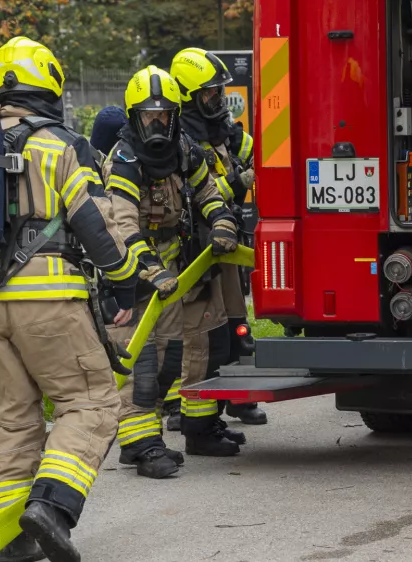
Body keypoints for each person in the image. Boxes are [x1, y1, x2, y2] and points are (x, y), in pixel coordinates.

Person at [0, 36, 141, 562]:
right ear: (48, 85)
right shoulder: (64, 146)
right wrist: (125, 282)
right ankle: (52, 507)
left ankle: (11, 539)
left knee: (12, 420)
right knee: (90, 403)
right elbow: (94, 225)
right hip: (51, 303)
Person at [101, 65, 239, 473]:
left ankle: (163, 435)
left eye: (164, 116)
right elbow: (123, 225)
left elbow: (210, 192)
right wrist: (149, 269)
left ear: (175, 115)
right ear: (134, 118)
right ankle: (141, 446)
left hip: (176, 266)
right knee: (142, 361)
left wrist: (223, 223)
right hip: (135, 274)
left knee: (175, 357)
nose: (157, 124)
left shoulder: (184, 147)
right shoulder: (124, 159)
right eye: (149, 117)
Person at [168, 48, 267, 428]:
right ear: (189, 96)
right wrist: (234, 182)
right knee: (204, 335)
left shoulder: (224, 134)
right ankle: (187, 407)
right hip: (199, 249)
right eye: (210, 94)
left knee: (237, 328)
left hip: (229, 244)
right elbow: (192, 198)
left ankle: (239, 399)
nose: (218, 100)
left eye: (219, 92)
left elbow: (260, 152)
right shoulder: (181, 142)